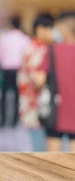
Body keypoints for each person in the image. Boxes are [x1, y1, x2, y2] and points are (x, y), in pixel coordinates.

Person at [37, 11, 75, 152]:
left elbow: (39, 80)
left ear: (64, 30)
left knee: (53, 157)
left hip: (56, 111)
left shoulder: (52, 50)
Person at [17, 14, 55, 152]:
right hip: (36, 104)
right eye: (50, 29)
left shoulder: (44, 47)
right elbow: (38, 79)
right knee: (40, 146)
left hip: (40, 104)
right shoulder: (34, 48)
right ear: (40, 29)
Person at [0, 16, 30, 127]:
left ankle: (2, 120)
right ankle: (15, 121)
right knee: (17, 97)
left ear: (10, 25)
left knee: (3, 97)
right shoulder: (25, 39)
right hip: (19, 70)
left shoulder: (3, 38)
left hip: (5, 69)